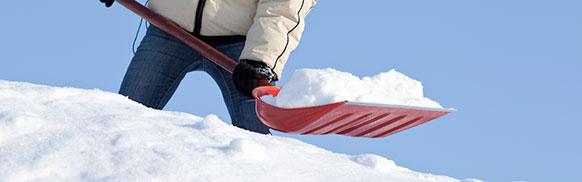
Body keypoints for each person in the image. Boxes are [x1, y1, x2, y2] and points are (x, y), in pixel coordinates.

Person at [99, 0, 317, 134]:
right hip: (169, 29)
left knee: (255, 140)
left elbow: (285, 6)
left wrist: (260, 59)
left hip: (242, 49)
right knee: (125, 118)